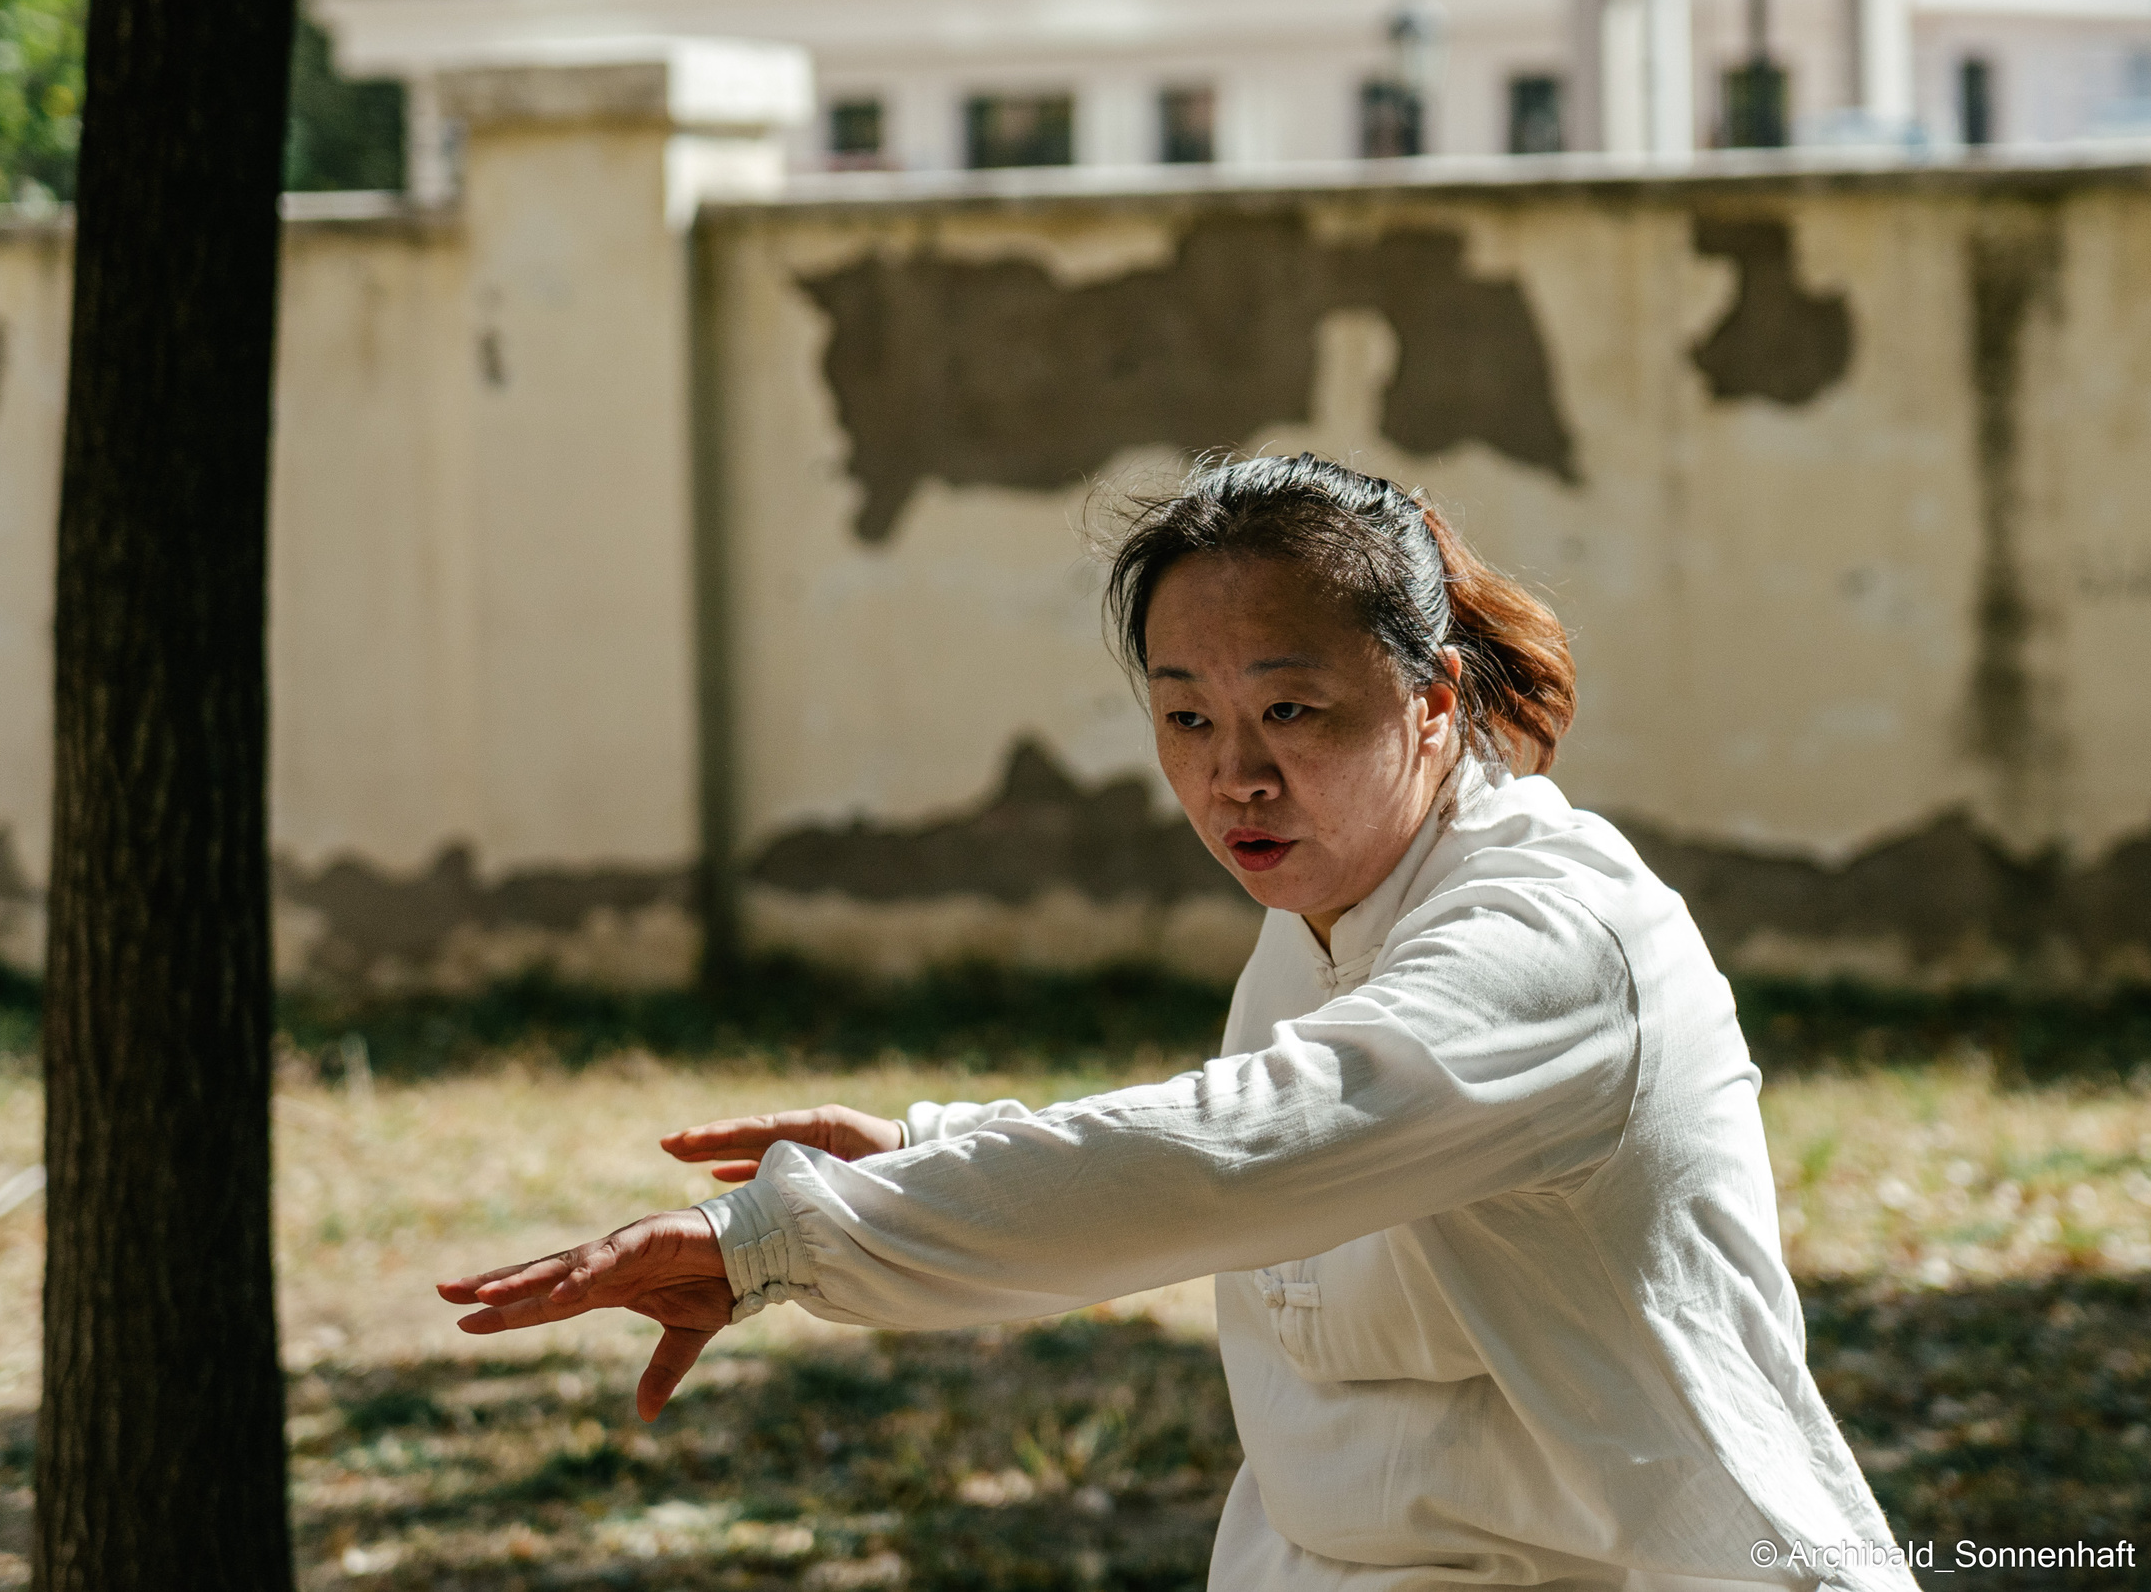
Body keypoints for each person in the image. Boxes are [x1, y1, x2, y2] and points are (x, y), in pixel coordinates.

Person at [441, 453, 1913, 1591]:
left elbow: (1240, 1152)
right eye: (1186, 718)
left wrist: (789, 1239)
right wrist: (917, 1150)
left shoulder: (1548, 941)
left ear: (1432, 699)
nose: (1236, 778)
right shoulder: (1323, 921)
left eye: (1295, 710)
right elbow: (1244, 1138)